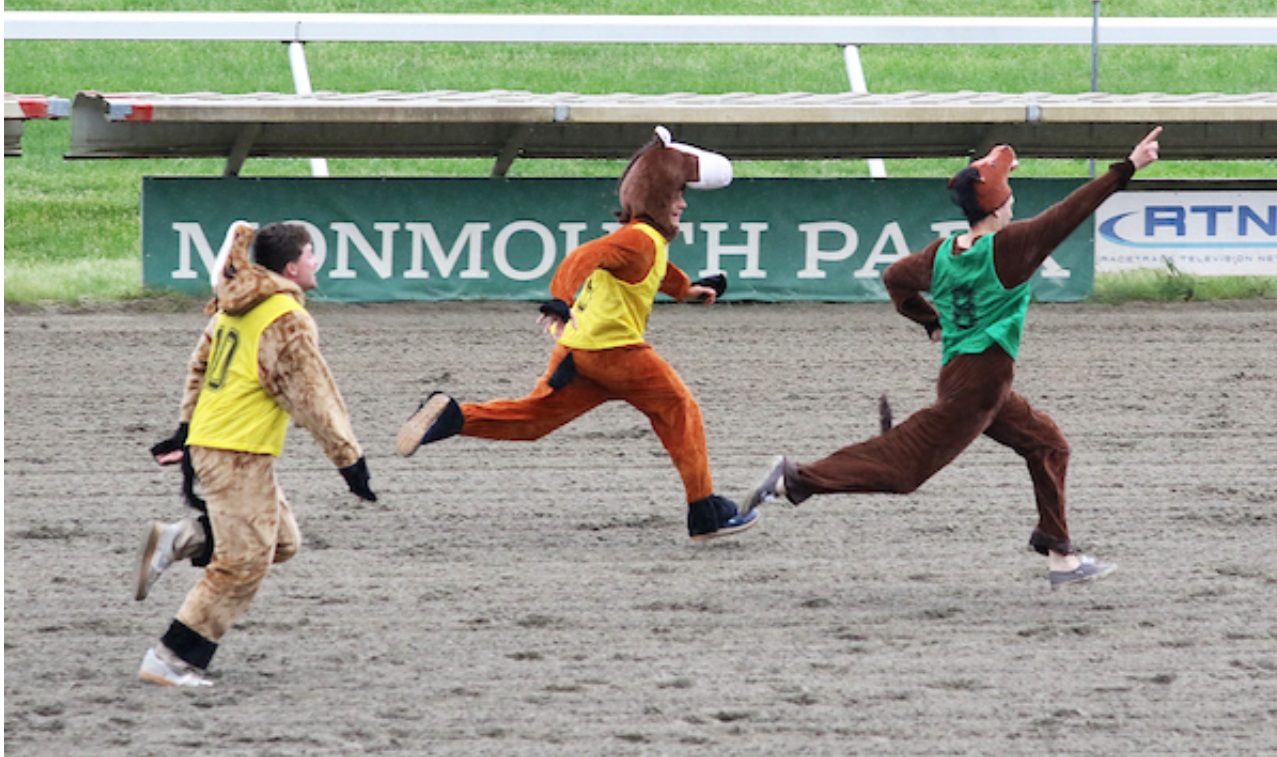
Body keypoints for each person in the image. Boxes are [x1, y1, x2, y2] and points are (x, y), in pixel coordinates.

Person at [743, 127, 1163, 588]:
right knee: (903, 470)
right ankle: (796, 478)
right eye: (1010, 196)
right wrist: (1129, 166)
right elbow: (1074, 210)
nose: (1015, 203)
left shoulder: (941, 253)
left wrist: (930, 321)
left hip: (968, 378)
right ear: (1001, 206)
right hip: (978, 388)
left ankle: (1060, 552)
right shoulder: (1013, 247)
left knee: (1048, 445)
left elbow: (894, 278)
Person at [396, 126, 758, 542]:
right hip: (616, 353)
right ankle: (705, 511)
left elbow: (652, 270)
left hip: (578, 352)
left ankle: (452, 417)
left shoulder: (646, 241)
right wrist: (559, 299)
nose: (683, 202)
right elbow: (583, 257)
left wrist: (687, 290)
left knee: (534, 420)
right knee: (680, 409)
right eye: (677, 194)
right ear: (657, 195)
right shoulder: (638, 239)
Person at [136, 221, 377, 687]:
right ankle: (170, 660)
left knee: (282, 543)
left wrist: (186, 429)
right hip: (235, 451)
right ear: (291, 266)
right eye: (311, 254)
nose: (316, 262)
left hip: (222, 444)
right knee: (242, 563)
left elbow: (199, 366)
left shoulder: (237, 303)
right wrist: (350, 461)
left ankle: (181, 538)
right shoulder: (285, 317)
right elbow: (313, 398)